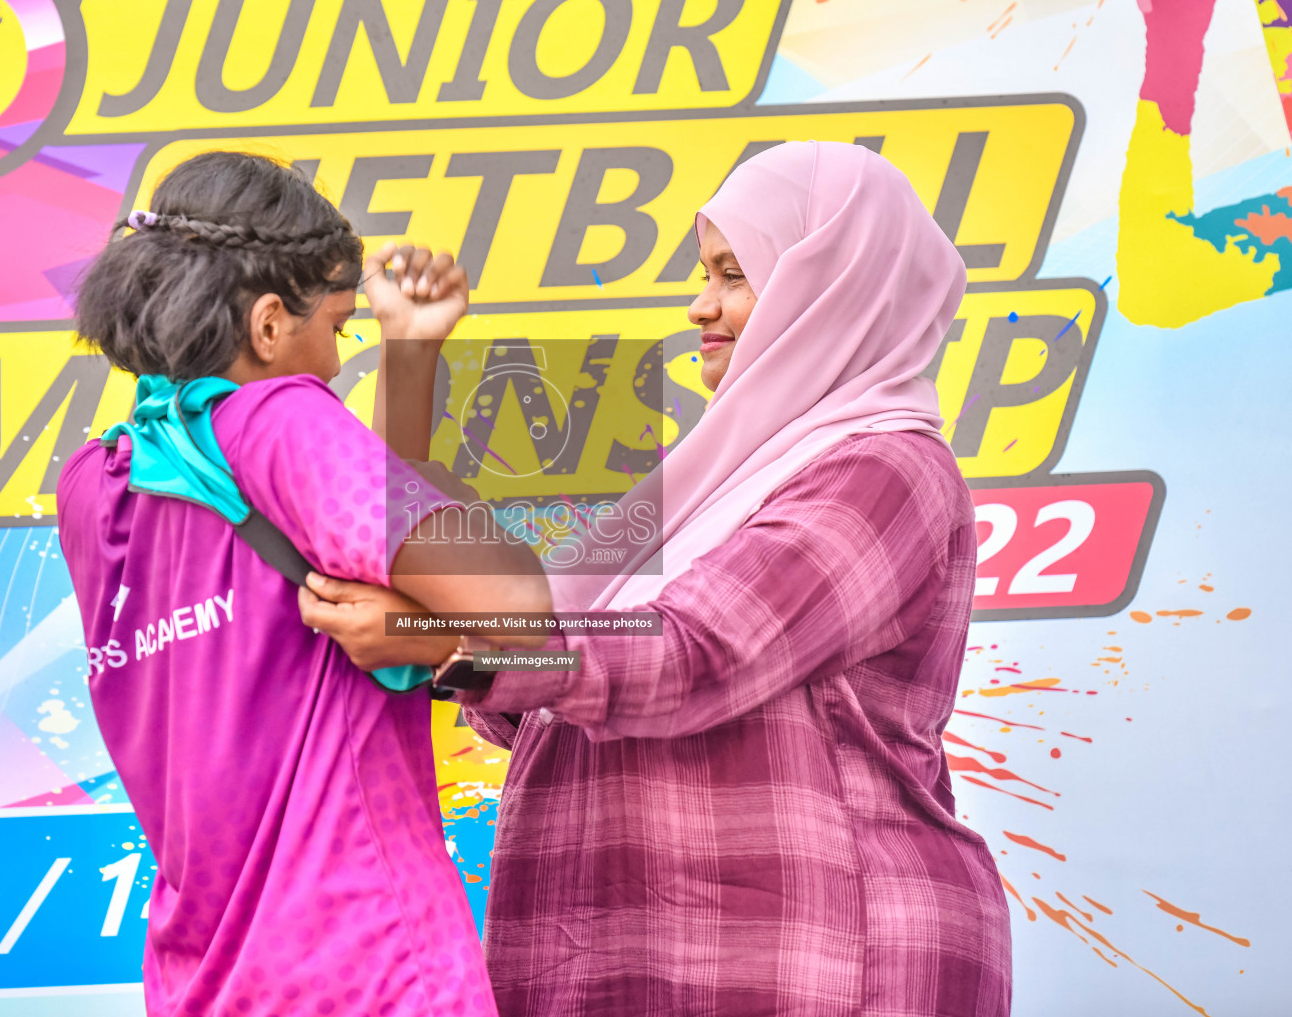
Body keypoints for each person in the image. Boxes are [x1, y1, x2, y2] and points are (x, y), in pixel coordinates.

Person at [298, 142, 1014, 1017]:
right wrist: (411, 361)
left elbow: (691, 654)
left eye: (732, 274)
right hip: (634, 953)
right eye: (702, 272)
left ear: (828, 286)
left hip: (819, 959)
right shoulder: (698, 487)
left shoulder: (884, 469)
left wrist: (441, 639)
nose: (698, 304)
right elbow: (518, 657)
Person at [57, 151, 547, 1017]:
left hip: (201, 979)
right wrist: (423, 635)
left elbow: (337, 559)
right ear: (271, 323)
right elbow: (516, 606)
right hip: (369, 963)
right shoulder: (283, 420)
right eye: (342, 326)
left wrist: (410, 357)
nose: (333, 357)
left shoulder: (96, 486)